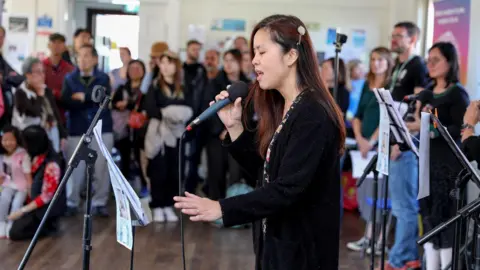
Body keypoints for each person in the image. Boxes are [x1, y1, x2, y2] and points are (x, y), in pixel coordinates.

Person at [174, 14, 345, 270]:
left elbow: (287, 189)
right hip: (276, 244)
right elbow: (265, 171)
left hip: (303, 252)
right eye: (254, 52)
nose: (254, 60)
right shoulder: (284, 105)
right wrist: (235, 128)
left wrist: (222, 208)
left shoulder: (313, 114)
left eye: (262, 51)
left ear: (291, 56)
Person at [406, 42, 469, 270]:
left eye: (436, 60)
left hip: (448, 168)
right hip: (427, 164)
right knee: (429, 216)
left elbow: (463, 129)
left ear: (449, 62)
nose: (430, 64)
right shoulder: (428, 92)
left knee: (445, 219)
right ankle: (430, 265)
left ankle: (446, 266)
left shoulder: (457, 93)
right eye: (428, 60)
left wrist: (431, 129)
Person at [381, 21, 428, 270]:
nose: (394, 39)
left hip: (406, 142)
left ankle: (400, 259)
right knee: (399, 204)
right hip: (394, 139)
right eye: (393, 34)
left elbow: (417, 106)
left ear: (413, 39)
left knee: (404, 205)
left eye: (399, 36)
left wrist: (403, 140)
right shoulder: (399, 65)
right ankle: (405, 255)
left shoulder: (417, 66)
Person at [347, 47, 394, 255]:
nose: (376, 63)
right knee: (366, 191)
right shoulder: (367, 84)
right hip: (363, 146)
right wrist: (359, 138)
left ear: (388, 63)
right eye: (373, 59)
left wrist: (372, 141)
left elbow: (389, 117)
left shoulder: (391, 86)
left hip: (381, 145)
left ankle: (381, 240)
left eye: (381, 60)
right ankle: (367, 237)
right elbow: (357, 115)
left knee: (383, 194)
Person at [61, 45, 113, 217]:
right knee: (75, 167)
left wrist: (83, 96)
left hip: (101, 127)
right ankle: (72, 201)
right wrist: (88, 98)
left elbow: (103, 98)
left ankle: (99, 202)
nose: (82, 60)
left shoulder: (103, 77)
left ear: (95, 59)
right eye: (79, 56)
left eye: (86, 56)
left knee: (101, 167)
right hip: (77, 128)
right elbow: (66, 102)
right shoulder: (69, 78)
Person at [144, 50, 193, 223]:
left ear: (176, 65)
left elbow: (189, 108)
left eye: (168, 62)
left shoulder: (184, 86)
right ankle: (157, 205)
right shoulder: (155, 85)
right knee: (158, 170)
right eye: (162, 63)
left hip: (179, 133)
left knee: (175, 171)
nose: (164, 66)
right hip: (159, 134)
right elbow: (151, 109)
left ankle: (168, 205)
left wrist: (171, 112)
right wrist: (171, 112)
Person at [8, 125, 64, 241]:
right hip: (34, 206)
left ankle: (49, 228)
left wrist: (22, 211)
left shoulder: (52, 165)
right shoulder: (36, 157)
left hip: (45, 212)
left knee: (15, 232)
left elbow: (46, 196)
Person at [0, 125, 32, 238]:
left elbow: (28, 175)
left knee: (17, 204)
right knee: (3, 200)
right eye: (5, 140)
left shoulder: (23, 155)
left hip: (22, 186)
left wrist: (30, 190)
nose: (8, 143)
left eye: (11, 140)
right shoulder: (2, 156)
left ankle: (12, 225)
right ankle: (2, 223)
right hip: (8, 184)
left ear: (17, 140)